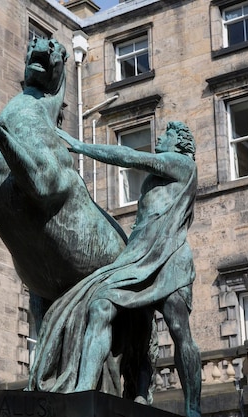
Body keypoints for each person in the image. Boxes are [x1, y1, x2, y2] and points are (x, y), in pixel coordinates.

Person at [28, 121, 201, 417]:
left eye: (166, 134)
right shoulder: (161, 174)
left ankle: (193, 408)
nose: (160, 136)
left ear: (180, 143)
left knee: (178, 327)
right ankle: (84, 389)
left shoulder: (182, 164)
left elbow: (131, 157)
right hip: (137, 257)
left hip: (170, 255)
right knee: (100, 306)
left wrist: (80, 146)